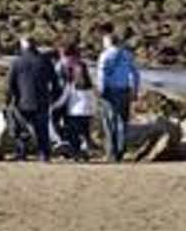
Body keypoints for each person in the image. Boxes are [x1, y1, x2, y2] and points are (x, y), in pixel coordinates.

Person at [6, 37, 59, 162]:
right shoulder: (45, 61)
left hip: (22, 101)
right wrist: (53, 97)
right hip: (42, 100)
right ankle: (44, 155)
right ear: (35, 45)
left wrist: (8, 100)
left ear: (23, 46)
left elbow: (10, 84)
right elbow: (55, 82)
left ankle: (22, 154)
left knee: (21, 129)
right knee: (42, 129)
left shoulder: (17, 62)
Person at [97, 31, 141, 162]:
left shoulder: (105, 55)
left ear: (109, 41)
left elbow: (101, 75)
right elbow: (135, 74)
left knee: (109, 122)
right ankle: (121, 152)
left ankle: (112, 153)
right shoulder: (127, 55)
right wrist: (134, 90)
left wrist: (101, 90)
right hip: (125, 90)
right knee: (122, 122)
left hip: (110, 91)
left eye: (104, 41)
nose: (103, 43)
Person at [53, 42, 94, 159]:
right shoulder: (88, 84)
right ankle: (85, 152)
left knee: (74, 134)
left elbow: (64, 97)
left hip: (74, 111)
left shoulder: (71, 83)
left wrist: (54, 106)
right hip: (86, 112)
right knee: (85, 133)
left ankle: (76, 153)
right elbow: (92, 98)